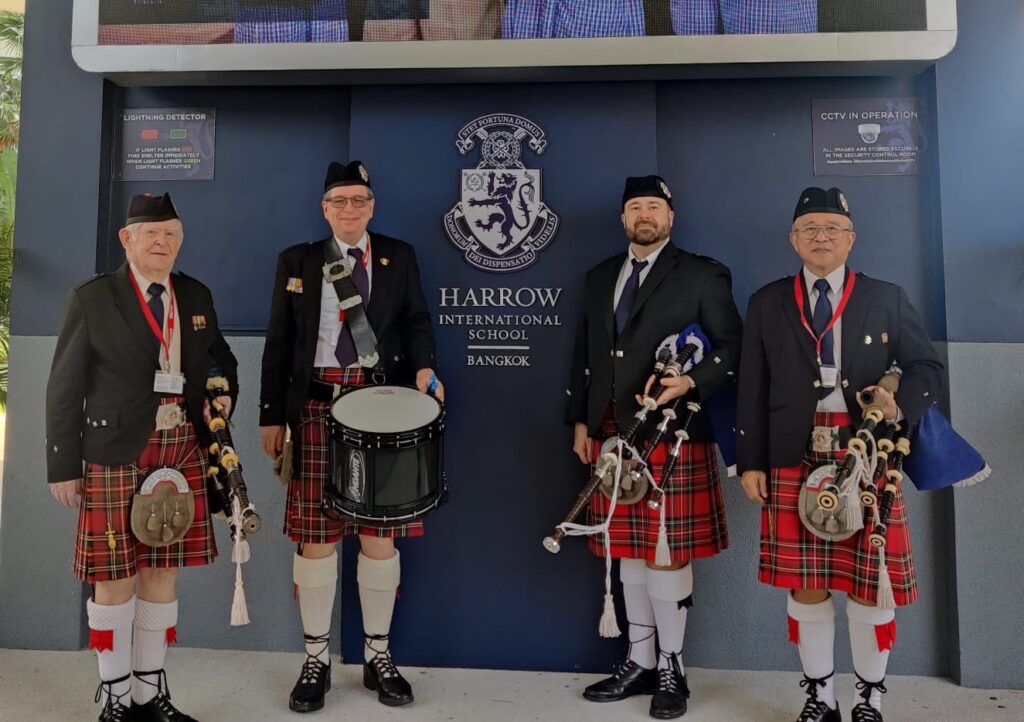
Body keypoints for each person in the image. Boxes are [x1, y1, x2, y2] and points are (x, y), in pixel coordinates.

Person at [736, 187, 944, 722]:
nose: (820, 236)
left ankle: (869, 697)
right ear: (793, 240)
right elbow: (751, 389)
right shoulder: (767, 301)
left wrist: (898, 403)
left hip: (867, 451)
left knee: (870, 581)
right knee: (807, 582)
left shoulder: (887, 296)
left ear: (850, 238)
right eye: (809, 228)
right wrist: (751, 460)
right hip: (790, 452)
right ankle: (820, 696)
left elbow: (927, 367)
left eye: (831, 228)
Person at [46, 193, 238, 722]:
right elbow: (64, 389)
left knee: (162, 571)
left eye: (171, 233)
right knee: (113, 578)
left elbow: (219, 355)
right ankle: (114, 699)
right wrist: (63, 464)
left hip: (181, 447)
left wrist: (222, 390)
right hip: (114, 452)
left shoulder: (194, 294)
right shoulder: (93, 298)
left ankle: (150, 697)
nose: (162, 242)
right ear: (126, 239)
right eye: (150, 233)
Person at [259, 160, 443, 712]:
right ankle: (315, 658)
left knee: (378, 538)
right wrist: (271, 416)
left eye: (358, 200)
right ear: (325, 208)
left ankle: (378, 657)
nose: (349, 209)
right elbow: (278, 339)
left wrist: (425, 369)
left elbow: (416, 320)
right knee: (316, 541)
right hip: (314, 410)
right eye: (339, 201)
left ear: (371, 206)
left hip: (379, 411)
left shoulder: (398, 255)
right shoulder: (297, 260)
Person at [565, 175, 742, 719]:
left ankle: (671, 665)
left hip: (673, 434)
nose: (645, 214)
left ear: (671, 216)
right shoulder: (600, 278)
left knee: (666, 552)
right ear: (623, 219)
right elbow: (586, 356)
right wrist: (581, 421)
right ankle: (638, 660)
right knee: (628, 551)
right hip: (614, 434)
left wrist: (690, 382)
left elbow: (731, 347)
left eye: (655, 206)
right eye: (636, 206)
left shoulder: (702, 274)